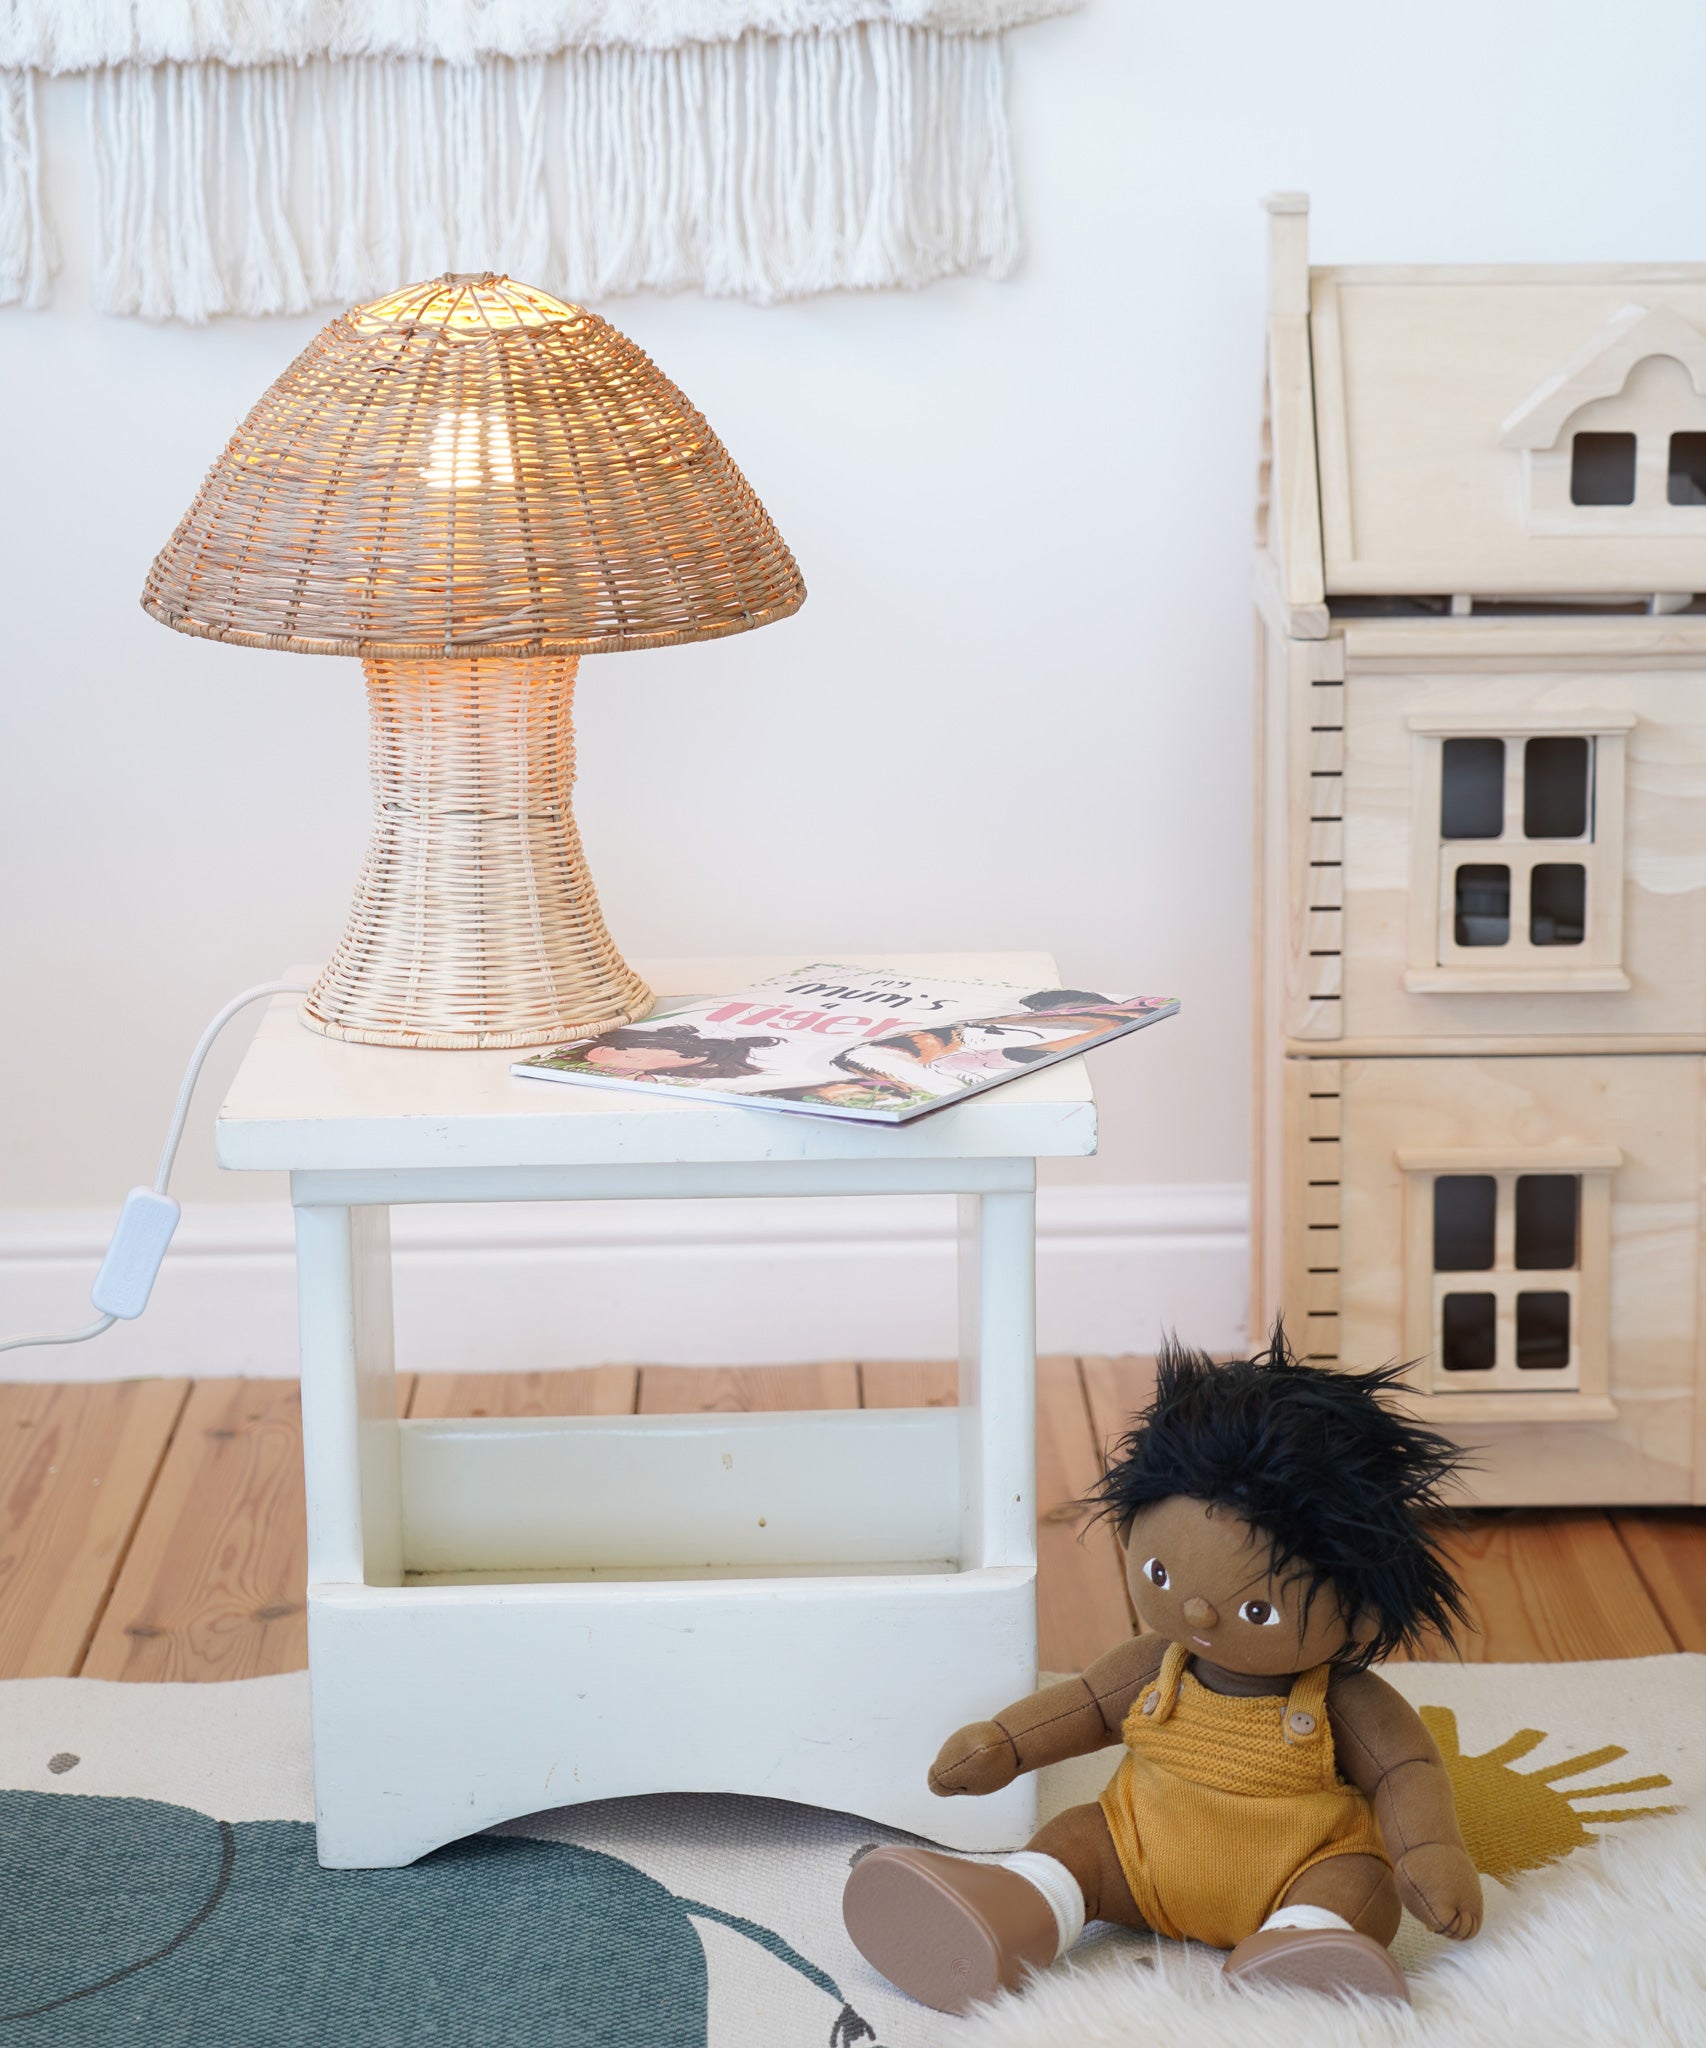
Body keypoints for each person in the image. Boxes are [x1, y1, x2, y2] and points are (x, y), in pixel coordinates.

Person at [843, 1328, 1482, 2012]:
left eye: (1258, 1610)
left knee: (1358, 1881)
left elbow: (1404, 1772)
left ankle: (1301, 1943)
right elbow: (1087, 1706)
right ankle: (1008, 1912)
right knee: (1078, 1840)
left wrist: (1428, 1852)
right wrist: (1003, 1745)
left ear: (1358, 1617)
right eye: (1161, 1573)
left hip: (1297, 1871)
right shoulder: (1155, 1666)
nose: (1199, 1612)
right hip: (1135, 1856)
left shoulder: (1343, 1700)